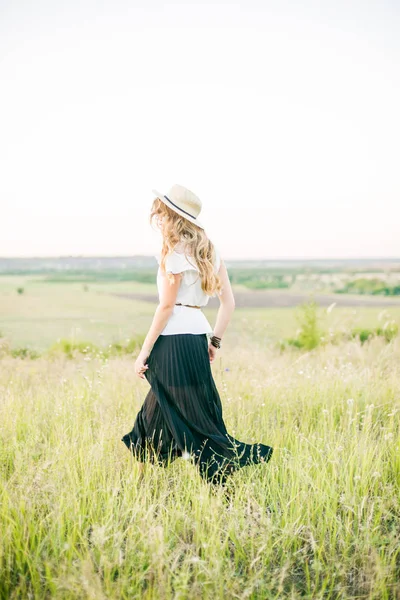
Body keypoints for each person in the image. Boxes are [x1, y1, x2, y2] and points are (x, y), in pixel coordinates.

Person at [121, 184, 273, 486]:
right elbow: (229, 303)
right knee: (166, 406)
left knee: (188, 413)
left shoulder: (173, 253)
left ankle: (221, 474)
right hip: (195, 340)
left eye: (162, 215)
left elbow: (165, 306)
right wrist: (214, 340)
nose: (159, 221)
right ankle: (139, 481)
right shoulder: (210, 253)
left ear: (175, 218)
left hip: (172, 341)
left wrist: (143, 351)